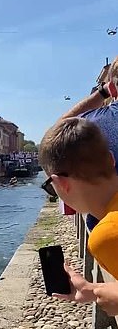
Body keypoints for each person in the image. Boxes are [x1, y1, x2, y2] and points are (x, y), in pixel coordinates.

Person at [39, 117, 118, 316]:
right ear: (111, 159)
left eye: (50, 186)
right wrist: (92, 291)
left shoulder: (109, 235)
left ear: (60, 183)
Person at [59, 56, 118, 230]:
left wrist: (102, 93)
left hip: (109, 239)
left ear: (113, 89)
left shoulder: (93, 124)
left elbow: (54, 138)